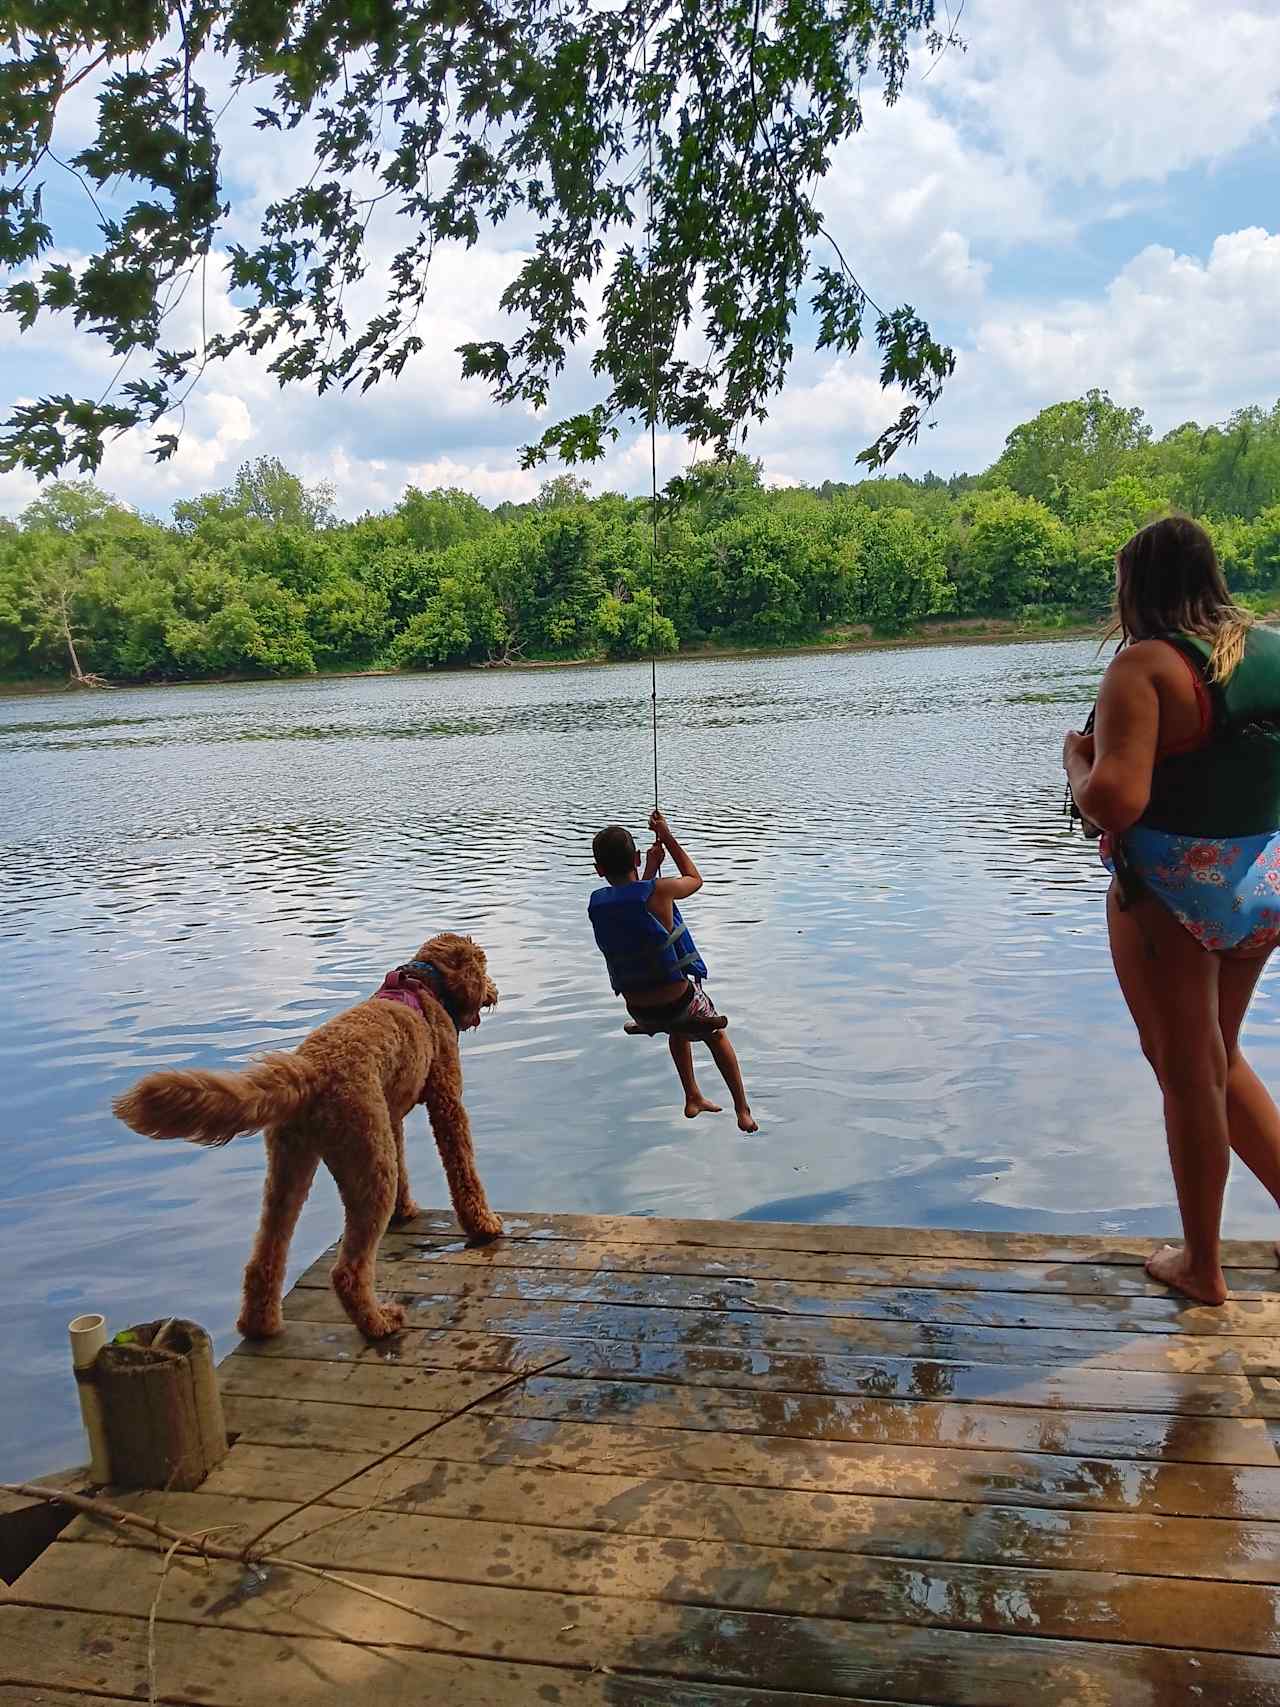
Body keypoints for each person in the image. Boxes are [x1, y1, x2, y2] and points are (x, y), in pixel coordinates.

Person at [1064, 514, 1280, 1304]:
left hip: (1173, 898)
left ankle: (1203, 1265)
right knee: (1216, 1059)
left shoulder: (1144, 668)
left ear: (1138, 588)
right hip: (1262, 889)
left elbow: (1115, 803)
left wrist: (1075, 759)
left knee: (1188, 1073)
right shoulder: (1272, 647)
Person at [589, 809, 757, 1132]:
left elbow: (633, 902)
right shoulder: (660, 891)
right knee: (716, 1033)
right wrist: (667, 837)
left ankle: (692, 1095)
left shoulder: (597, 904)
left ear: (598, 870)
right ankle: (743, 1109)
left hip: (640, 1009)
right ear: (635, 858)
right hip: (679, 1002)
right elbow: (695, 878)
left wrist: (651, 869)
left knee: (677, 1028)